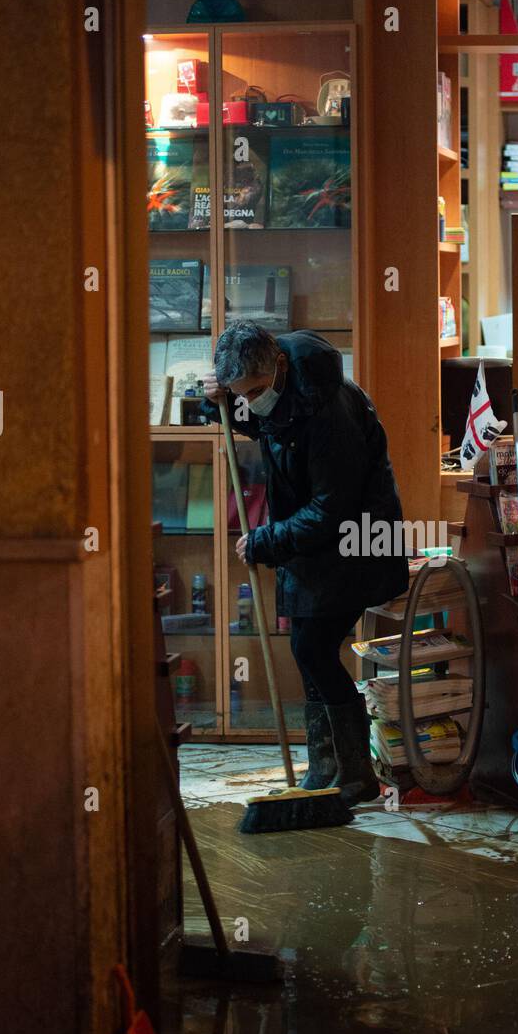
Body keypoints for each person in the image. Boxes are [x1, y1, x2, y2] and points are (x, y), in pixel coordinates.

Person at [202, 323, 409, 810]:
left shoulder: (330, 412)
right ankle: (327, 771)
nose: (249, 403)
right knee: (309, 651)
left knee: (312, 649)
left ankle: (352, 776)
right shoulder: (284, 388)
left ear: (277, 364)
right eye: (240, 395)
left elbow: (329, 511)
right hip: (320, 549)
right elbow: (268, 423)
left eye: (252, 392)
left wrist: (266, 540)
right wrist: (222, 404)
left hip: (356, 544)